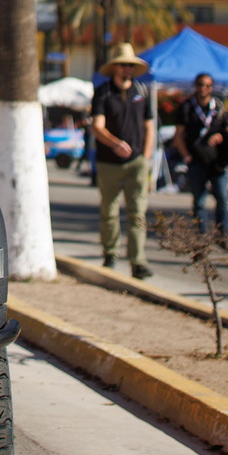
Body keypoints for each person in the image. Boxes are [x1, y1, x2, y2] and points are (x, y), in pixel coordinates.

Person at [91, 43, 154, 279]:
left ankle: (138, 261)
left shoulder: (141, 91)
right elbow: (97, 127)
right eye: (124, 65)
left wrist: (146, 157)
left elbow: (149, 126)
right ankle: (110, 254)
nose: (127, 69)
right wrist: (114, 143)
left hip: (137, 162)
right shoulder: (104, 92)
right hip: (109, 162)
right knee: (109, 209)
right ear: (115, 68)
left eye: (130, 65)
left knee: (138, 211)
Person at [174, 71, 228, 244]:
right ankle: (201, 237)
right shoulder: (187, 107)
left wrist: (221, 136)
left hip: (217, 161)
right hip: (196, 160)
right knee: (199, 201)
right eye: (201, 85)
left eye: (208, 86)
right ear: (195, 86)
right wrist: (186, 155)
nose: (204, 89)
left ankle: (222, 234)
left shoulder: (218, 106)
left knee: (222, 198)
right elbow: (178, 135)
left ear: (212, 88)